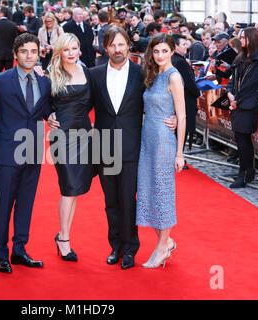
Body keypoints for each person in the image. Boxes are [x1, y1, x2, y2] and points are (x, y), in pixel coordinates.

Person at [49, 27, 176, 269]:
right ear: (105, 48)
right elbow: (76, 103)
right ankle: (115, 246)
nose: (117, 50)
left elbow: (168, 94)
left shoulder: (142, 73)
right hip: (104, 145)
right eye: (112, 45)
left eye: (121, 45)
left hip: (131, 145)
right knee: (110, 201)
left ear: (128, 45)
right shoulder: (93, 75)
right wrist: (52, 114)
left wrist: (178, 118)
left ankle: (129, 249)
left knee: (128, 199)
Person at [0, 33, 52, 273]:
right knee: (4, 204)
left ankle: (19, 250)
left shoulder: (44, 81)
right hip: (7, 151)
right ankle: (0, 254)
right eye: (24, 51)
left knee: (26, 203)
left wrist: (53, 116)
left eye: (33, 52)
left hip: (34, 150)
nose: (29, 56)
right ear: (15, 54)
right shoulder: (0, 80)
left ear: (39, 54)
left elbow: (45, 109)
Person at [136, 33, 186, 269]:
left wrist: (180, 152)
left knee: (163, 193)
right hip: (147, 140)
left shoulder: (174, 77)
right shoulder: (152, 74)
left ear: (173, 51)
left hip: (164, 142)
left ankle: (161, 248)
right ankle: (166, 242)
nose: (160, 55)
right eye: (156, 51)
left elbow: (182, 115)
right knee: (147, 192)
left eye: (165, 51)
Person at [48, 33, 94, 261]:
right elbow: (41, 103)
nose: (71, 53)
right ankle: (63, 238)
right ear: (60, 51)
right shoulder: (51, 74)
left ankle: (64, 235)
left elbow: (95, 100)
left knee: (76, 190)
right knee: (69, 188)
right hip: (62, 137)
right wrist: (48, 114)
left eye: (74, 48)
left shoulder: (86, 71)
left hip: (84, 135)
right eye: (66, 49)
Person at [226, 27, 258, 188]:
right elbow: (232, 79)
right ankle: (246, 171)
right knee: (240, 139)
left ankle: (245, 173)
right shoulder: (241, 58)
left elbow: (251, 86)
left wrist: (236, 100)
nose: (241, 40)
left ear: (251, 39)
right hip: (237, 103)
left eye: (244, 38)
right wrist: (229, 93)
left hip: (248, 105)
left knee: (244, 140)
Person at [171, 34, 200, 153]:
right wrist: (198, 92)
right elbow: (188, 82)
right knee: (180, 132)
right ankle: (178, 157)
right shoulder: (180, 62)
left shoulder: (176, 59)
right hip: (184, 101)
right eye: (183, 44)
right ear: (175, 46)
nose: (186, 47)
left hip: (178, 101)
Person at [0, 6, 19, 74]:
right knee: (9, 76)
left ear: (2, 14)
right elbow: (16, 41)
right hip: (9, 55)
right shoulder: (13, 25)